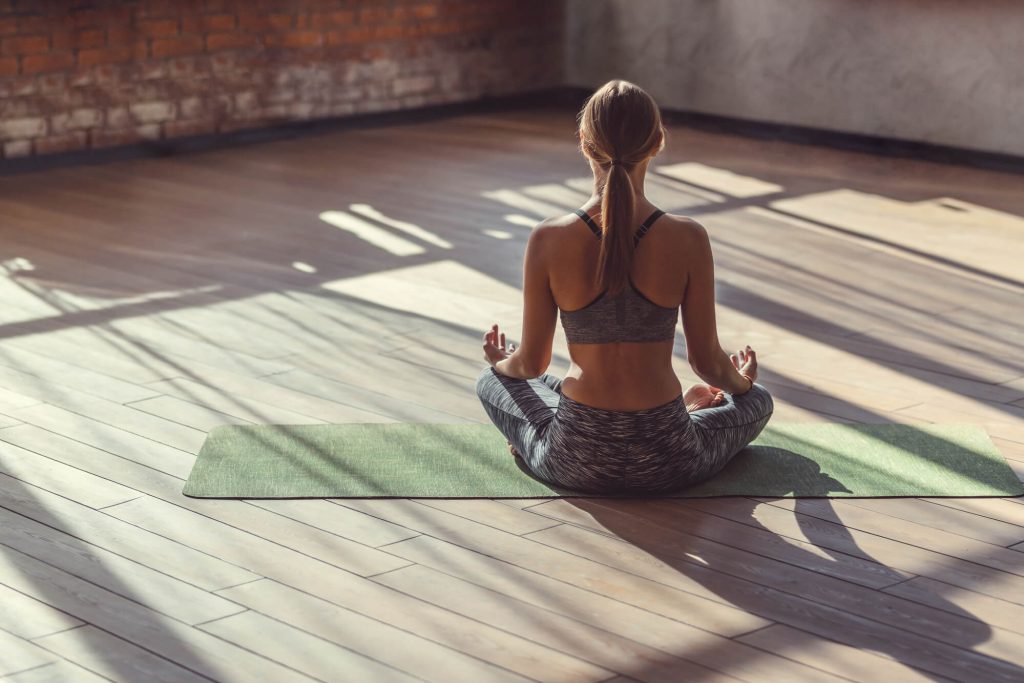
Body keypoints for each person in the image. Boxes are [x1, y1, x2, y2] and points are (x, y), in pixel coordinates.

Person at [474, 79, 774, 495]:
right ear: (657, 142)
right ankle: (691, 410)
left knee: (491, 382)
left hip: (575, 458)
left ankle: (530, 443)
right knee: (759, 402)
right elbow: (708, 364)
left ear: (584, 142)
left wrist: (501, 362)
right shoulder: (688, 237)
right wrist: (741, 384)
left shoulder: (548, 238)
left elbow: (532, 366)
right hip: (670, 456)